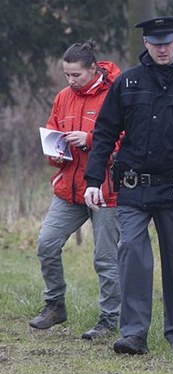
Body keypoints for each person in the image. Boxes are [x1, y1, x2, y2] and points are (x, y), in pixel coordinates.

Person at [83, 16, 173, 355]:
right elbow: (104, 132)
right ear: (145, 44)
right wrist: (93, 179)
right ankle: (133, 334)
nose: (162, 48)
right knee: (131, 252)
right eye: (155, 42)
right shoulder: (128, 83)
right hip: (133, 185)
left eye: (167, 41)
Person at [30, 41, 121, 340]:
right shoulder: (62, 98)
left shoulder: (116, 94)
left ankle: (109, 321)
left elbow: (127, 140)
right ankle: (54, 305)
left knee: (106, 259)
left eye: (76, 75)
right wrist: (55, 152)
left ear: (93, 69)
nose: (70, 81)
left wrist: (90, 139)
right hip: (69, 190)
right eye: (66, 75)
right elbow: (52, 136)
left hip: (106, 192)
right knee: (46, 243)